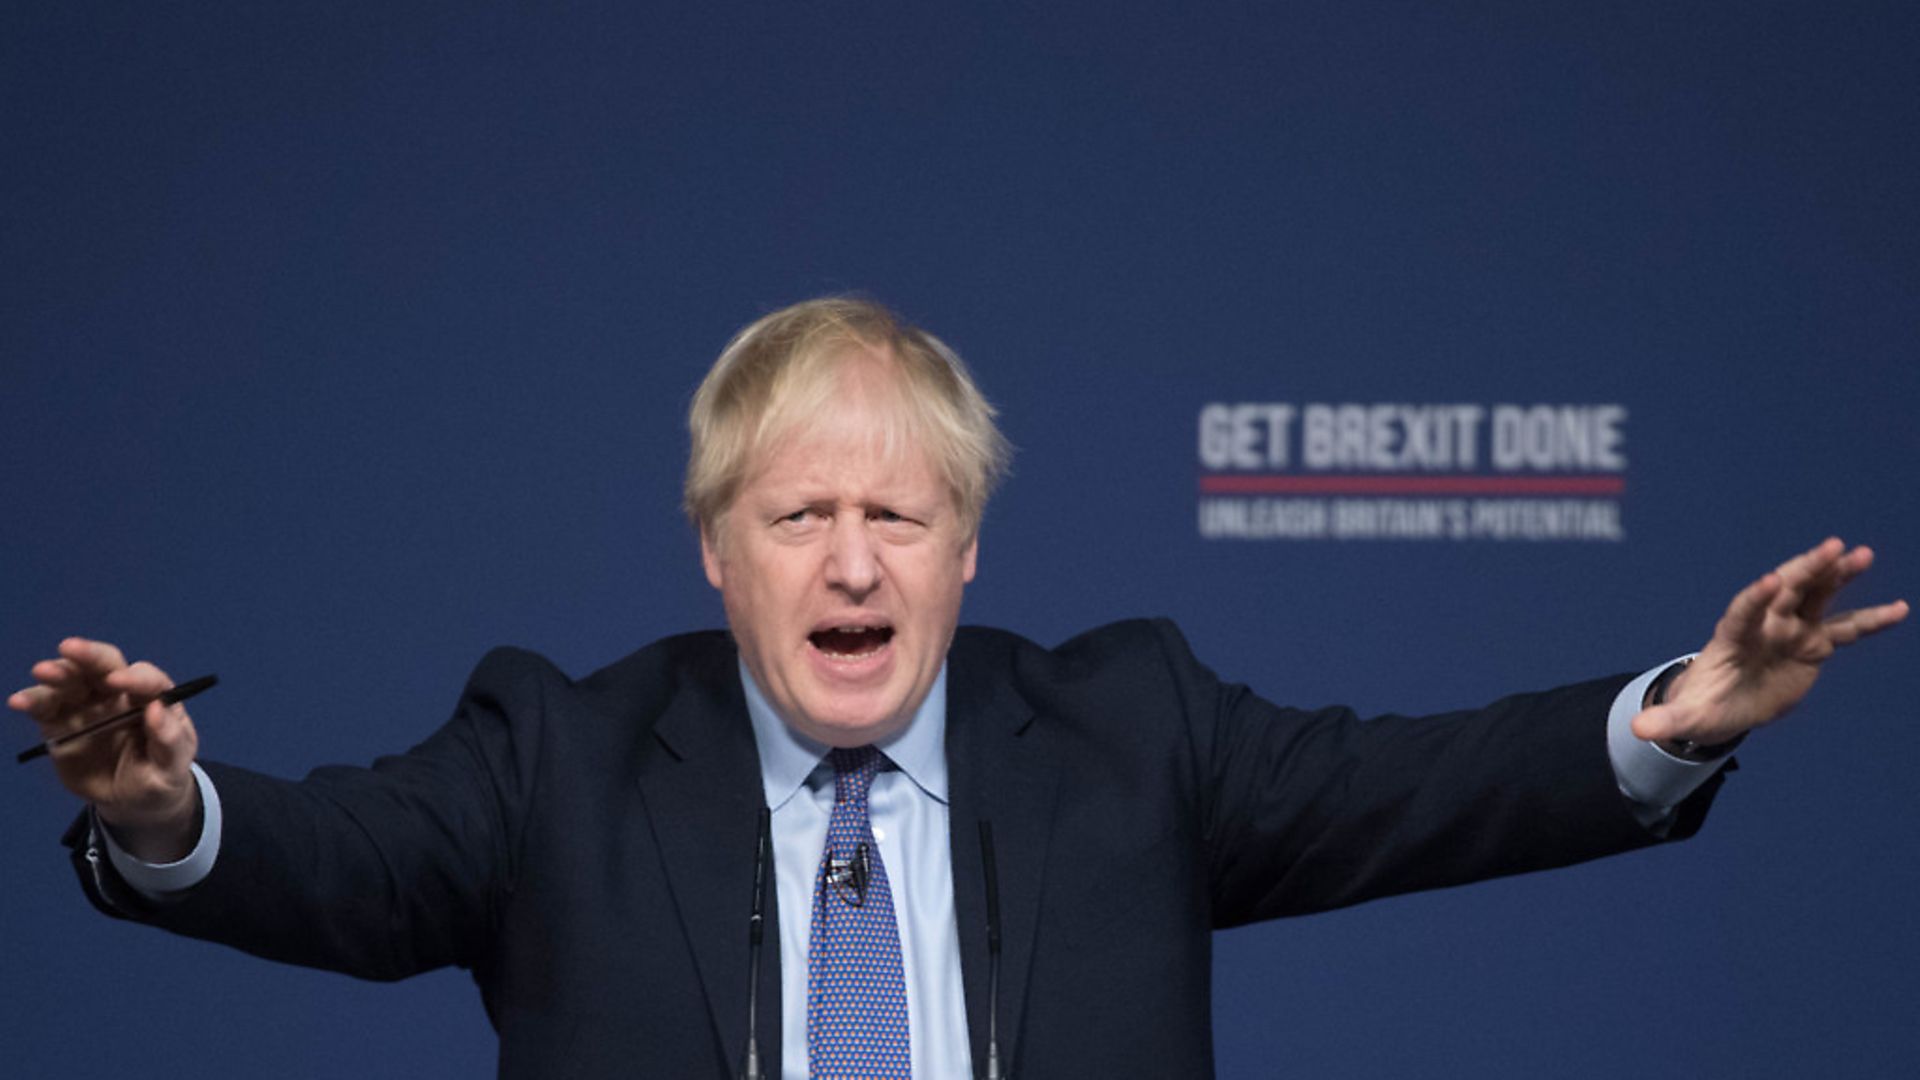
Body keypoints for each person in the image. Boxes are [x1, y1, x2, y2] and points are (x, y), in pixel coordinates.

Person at [12, 297, 1908, 1080]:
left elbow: (1422, 785)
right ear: (714, 549)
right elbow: (333, 862)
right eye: (801, 514)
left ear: (972, 548)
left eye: (900, 514)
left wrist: (1672, 719)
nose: (853, 562)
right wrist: (168, 809)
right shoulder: (557, 753)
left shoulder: (1128, 728)